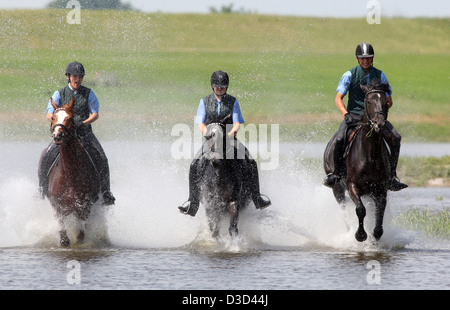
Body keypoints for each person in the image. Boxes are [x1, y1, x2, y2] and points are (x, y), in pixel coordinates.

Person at [178, 70, 271, 216]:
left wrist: (229, 135)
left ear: (226, 87)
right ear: (212, 86)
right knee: (194, 164)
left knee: (251, 161)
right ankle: (193, 203)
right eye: (217, 86)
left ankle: (257, 198)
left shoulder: (233, 101)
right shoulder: (204, 101)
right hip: (211, 140)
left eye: (222, 87)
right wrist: (208, 134)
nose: (220, 89)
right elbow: (200, 123)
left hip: (230, 139)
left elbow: (236, 123)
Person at [323, 42, 407, 191]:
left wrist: (382, 110)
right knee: (340, 138)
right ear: (357, 59)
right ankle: (335, 175)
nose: (365, 61)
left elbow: (390, 100)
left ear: (372, 58)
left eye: (368, 58)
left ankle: (392, 177)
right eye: (362, 58)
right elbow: (338, 99)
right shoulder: (349, 75)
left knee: (396, 138)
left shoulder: (380, 75)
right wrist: (346, 114)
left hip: (375, 117)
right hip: (354, 116)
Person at [38, 61, 116, 205]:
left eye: (80, 76)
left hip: (85, 134)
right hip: (64, 135)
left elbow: (95, 114)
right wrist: (58, 123)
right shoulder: (59, 93)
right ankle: (42, 189)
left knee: (102, 157)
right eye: (74, 76)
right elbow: (50, 113)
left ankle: (106, 192)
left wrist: (83, 123)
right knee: (46, 155)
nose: (77, 79)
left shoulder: (88, 93)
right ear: (68, 77)